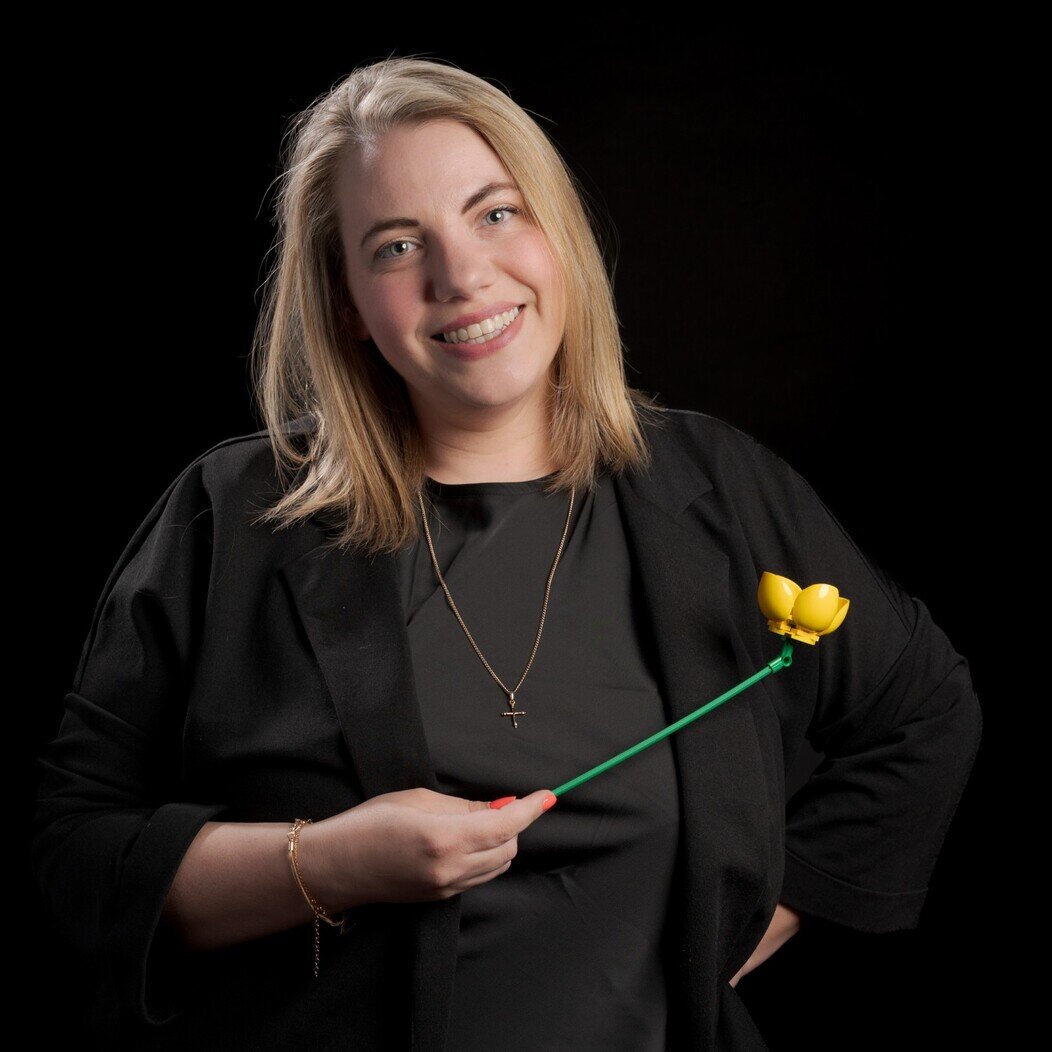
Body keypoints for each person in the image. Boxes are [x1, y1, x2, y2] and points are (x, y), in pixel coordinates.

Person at [32, 56, 982, 1050]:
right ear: (347, 302)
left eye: (494, 213)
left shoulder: (715, 488)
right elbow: (73, 853)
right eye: (398, 246)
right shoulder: (227, 515)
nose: (462, 275)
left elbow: (922, 711)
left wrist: (744, 920)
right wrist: (335, 862)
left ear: (556, 233)